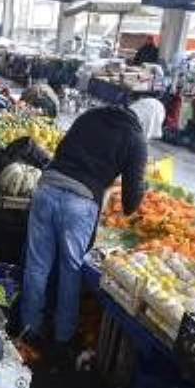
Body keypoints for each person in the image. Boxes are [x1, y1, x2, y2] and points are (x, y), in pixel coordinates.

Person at [18, 103, 153, 367]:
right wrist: (136, 184)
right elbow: (130, 203)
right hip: (80, 203)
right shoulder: (136, 139)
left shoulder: (93, 114)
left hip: (47, 189)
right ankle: (63, 338)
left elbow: (61, 150)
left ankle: (28, 331)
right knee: (71, 271)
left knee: (37, 266)